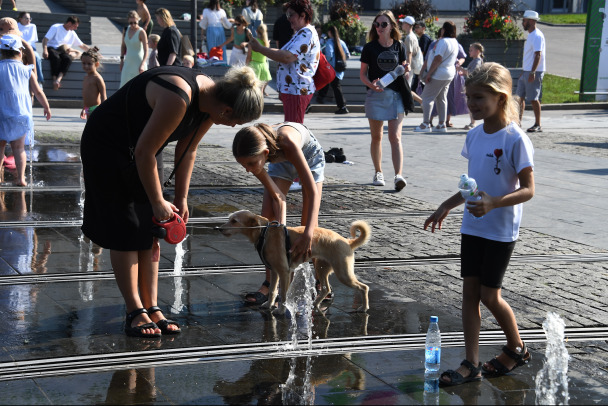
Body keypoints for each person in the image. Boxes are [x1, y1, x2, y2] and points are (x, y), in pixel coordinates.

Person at [80, 65, 264, 338]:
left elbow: (188, 149)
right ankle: (134, 310)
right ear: (226, 110)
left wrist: (180, 198)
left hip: (143, 149)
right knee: (126, 228)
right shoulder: (179, 96)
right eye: (235, 122)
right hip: (108, 146)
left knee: (153, 228)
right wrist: (156, 200)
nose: (232, 126)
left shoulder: (212, 103)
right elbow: (144, 151)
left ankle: (152, 307)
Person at [424, 62, 535, 386]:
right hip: (472, 226)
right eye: (469, 97)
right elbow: (473, 184)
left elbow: (529, 189)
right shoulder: (473, 135)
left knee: (490, 296)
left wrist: (494, 202)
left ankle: (516, 348)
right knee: (469, 293)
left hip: (500, 230)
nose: (471, 104)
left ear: (500, 98)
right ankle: (470, 363)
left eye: (479, 98)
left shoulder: (516, 138)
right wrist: (447, 205)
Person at [233, 122, 324, 305]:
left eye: (250, 164)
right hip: (280, 161)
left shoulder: (287, 142)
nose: (248, 170)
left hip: (308, 156)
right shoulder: (256, 156)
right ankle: (270, 285)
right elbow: (278, 198)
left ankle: (320, 281)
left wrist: (307, 233)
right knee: (267, 220)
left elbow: (312, 192)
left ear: (265, 154)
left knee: (307, 226)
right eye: (244, 165)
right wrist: (279, 233)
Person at [359, 10, 411, 191]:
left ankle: (398, 175)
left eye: (383, 24)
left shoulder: (399, 46)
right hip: (376, 95)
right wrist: (371, 85)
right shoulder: (369, 48)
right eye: (376, 24)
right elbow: (362, 74)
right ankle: (378, 171)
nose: (379, 27)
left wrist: (406, 69)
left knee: (395, 137)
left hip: (396, 95)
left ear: (391, 27)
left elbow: (404, 70)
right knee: (376, 137)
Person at [248, 0, 320, 124]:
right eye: (287, 15)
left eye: (291, 14)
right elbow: (285, 53)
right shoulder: (301, 33)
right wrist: (263, 48)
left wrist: (260, 49)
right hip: (293, 89)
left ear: (303, 15)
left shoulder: (306, 34)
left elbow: (287, 57)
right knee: (291, 127)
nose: (288, 18)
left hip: (297, 89)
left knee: (292, 130)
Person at [0, 34, 51, 186]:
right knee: (19, 148)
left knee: (1, 146)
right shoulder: (27, 70)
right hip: (20, 114)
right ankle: (21, 179)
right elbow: (38, 91)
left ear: (1, 52)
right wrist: (46, 107)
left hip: (1, 113)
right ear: (20, 52)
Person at [414, 21, 459, 133]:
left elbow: (438, 59)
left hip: (439, 74)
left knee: (427, 98)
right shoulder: (454, 41)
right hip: (449, 73)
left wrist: (429, 73)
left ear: (445, 30)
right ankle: (441, 124)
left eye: (443, 28)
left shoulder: (443, 42)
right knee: (441, 98)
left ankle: (425, 124)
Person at [42, 16, 93, 90]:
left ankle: (58, 79)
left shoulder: (72, 33)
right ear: (69, 23)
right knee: (56, 58)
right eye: (74, 26)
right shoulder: (56, 27)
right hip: (52, 48)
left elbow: (82, 45)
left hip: (63, 50)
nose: (76, 29)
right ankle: (54, 79)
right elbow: (45, 39)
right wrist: (45, 50)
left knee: (68, 59)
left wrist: (92, 51)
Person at [517, 10, 545, 133]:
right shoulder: (531, 35)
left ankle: (538, 124)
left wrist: (533, 72)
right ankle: (517, 122)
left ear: (532, 21)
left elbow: (538, 55)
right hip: (526, 71)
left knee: (533, 98)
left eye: (524, 20)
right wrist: (524, 71)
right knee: (519, 98)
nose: (523, 22)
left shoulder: (537, 35)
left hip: (534, 72)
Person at [316, 25, 350, 114]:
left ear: (330, 32)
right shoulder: (341, 42)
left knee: (335, 86)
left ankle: (342, 106)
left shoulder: (329, 42)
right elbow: (348, 54)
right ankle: (321, 97)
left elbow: (329, 55)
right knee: (333, 85)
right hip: (340, 68)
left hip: (332, 69)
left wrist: (327, 62)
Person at [458, 42, 484, 129]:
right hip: (472, 84)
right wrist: (464, 73)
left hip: (474, 85)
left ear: (477, 51)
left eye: (471, 50)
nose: (469, 52)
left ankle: (473, 123)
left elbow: (472, 73)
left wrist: (461, 69)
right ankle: (472, 122)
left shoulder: (477, 61)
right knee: (471, 104)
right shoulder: (475, 61)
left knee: (472, 104)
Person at [119, 10, 148, 87]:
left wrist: (143, 64)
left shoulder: (141, 32)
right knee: (123, 86)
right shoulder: (125, 29)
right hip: (128, 63)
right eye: (131, 23)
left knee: (138, 87)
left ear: (138, 20)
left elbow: (146, 50)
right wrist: (121, 60)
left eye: (135, 22)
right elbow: (123, 45)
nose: (133, 25)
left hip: (138, 63)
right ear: (128, 21)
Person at [16, 12, 43, 86]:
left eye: (29, 18)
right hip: (19, 47)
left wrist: (26, 48)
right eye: (26, 18)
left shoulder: (33, 26)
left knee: (37, 57)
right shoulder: (16, 26)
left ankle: (39, 81)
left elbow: (32, 39)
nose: (29, 20)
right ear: (20, 19)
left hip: (30, 47)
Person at [80, 49, 106, 120]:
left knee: (95, 128)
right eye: (84, 63)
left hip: (95, 108)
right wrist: (84, 108)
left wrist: (103, 110)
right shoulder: (86, 78)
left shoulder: (97, 78)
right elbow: (86, 95)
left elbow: (103, 96)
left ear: (96, 64)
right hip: (87, 109)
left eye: (89, 64)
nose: (86, 66)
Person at [246, 23, 271, 96]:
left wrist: (246, 66)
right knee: (261, 90)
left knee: (252, 90)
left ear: (256, 31)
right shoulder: (266, 43)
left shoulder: (252, 42)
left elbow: (248, 57)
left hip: (254, 66)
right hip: (264, 66)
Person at [411, 20, 432, 95]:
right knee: (418, 82)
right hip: (423, 64)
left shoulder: (424, 38)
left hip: (423, 64)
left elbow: (422, 52)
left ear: (423, 28)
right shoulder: (423, 37)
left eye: (417, 27)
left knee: (419, 82)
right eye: (415, 27)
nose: (415, 29)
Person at [399, 16, 419, 88]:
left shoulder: (409, 37)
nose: (402, 25)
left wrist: (407, 69)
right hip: (412, 65)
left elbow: (409, 53)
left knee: (407, 87)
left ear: (407, 25)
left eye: (403, 23)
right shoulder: (413, 36)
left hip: (409, 66)